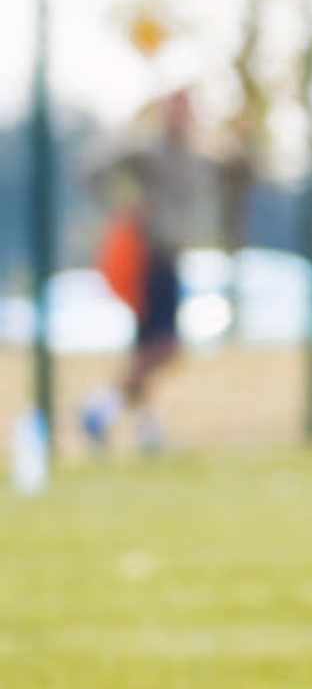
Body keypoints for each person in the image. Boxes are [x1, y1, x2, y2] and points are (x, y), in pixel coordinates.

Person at [81, 90, 211, 455]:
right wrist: (122, 205)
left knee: (148, 349)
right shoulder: (149, 150)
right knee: (164, 347)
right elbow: (93, 167)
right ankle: (99, 410)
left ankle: (144, 428)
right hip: (150, 258)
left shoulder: (196, 154)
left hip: (173, 258)